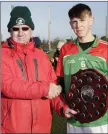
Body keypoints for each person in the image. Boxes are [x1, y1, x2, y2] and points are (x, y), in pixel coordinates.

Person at [1, 6, 77, 133]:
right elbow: (8, 86)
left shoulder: (41, 56)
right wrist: (44, 89)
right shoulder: (2, 55)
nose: (20, 33)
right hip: (13, 129)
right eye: (16, 29)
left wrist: (63, 107)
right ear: (10, 31)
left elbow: (53, 88)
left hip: (42, 128)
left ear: (31, 30)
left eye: (25, 28)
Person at [56, 3, 108, 133]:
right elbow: (59, 83)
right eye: (74, 21)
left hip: (101, 121)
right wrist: (63, 106)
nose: (78, 25)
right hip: (74, 119)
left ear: (91, 20)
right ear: (70, 24)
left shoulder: (105, 49)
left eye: (82, 20)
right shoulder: (65, 50)